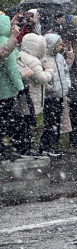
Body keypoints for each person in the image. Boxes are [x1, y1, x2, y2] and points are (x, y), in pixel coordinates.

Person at [16, 33, 54, 155]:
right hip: (32, 96)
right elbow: (42, 78)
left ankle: (20, 147)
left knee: (22, 122)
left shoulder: (20, 55)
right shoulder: (34, 61)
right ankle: (26, 149)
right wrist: (49, 69)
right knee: (29, 123)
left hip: (23, 95)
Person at [40, 33, 71, 157]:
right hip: (50, 96)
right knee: (50, 122)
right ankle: (47, 146)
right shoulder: (44, 59)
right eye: (58, 44)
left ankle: (54, 145)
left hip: (60, 94)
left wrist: (67, 85)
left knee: (57, 121)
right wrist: (50, 88)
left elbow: (66, 72)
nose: (60, 47)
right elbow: (43, 77)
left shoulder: (60, 58)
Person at [0, 14, 24, 160]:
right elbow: (11, 69)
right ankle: (5, 148)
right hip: (6, 91)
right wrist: (21, 87)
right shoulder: (4, 41)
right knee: (6, 122)